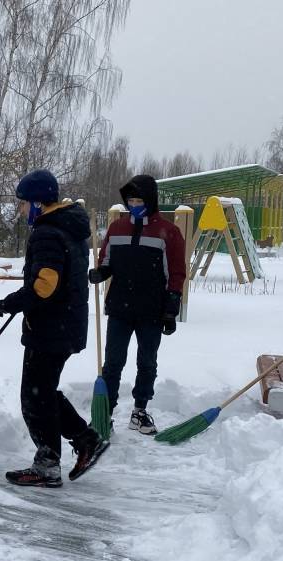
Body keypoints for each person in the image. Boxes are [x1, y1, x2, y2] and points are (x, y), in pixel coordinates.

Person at [0, 170, 104, 487]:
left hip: (52, 329)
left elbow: (45, 287)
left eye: (24, 204)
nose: (22, 210)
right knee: (42, 394)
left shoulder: (48, 233)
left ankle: (50, 464)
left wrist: (9, 303)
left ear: (38, 203)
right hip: (63, 324)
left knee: (34, 398)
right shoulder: (68, 227)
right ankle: (84, 439)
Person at [88, 174, 186, 434]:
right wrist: (101, 273)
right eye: (130, 200)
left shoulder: (169, 232)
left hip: (151, 310)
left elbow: (176, 272)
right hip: (120, 307)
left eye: (139, 199)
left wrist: (171, 307)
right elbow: (106, 260)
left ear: (150, 200)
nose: (134, 204)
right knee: (112, 362)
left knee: (147, 362)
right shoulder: (116, 228)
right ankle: (104, 413)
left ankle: (139, 411)